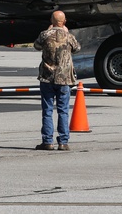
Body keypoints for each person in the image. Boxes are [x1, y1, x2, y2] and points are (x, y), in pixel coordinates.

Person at [33, 10, 80, 151]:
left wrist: (49, 31)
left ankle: (47, 141)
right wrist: (66, 32)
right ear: (64, 22)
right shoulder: (68, 36)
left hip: (47, 78)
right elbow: (77, 48)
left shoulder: (44, 35)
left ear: (51, 21)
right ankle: (63, 142)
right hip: (64, 79)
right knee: (63, 110)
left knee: (47, 110)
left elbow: (36, 46)